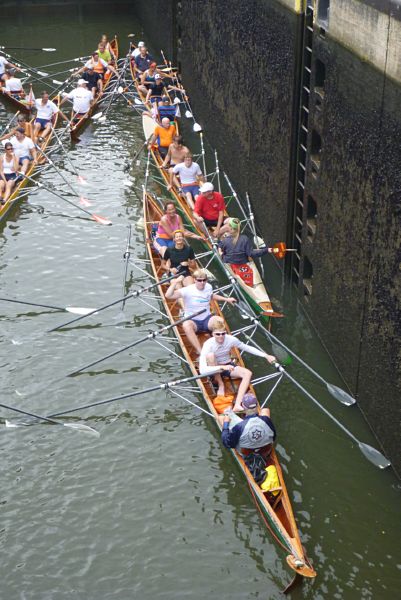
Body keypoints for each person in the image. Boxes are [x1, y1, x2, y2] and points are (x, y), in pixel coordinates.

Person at [199, 317, 276, 410]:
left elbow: (247, 348)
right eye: (217, 334)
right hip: (213, 369)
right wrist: (223, 367)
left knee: (248, 373)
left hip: (228, 365)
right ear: (212, 334)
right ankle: (220, 384)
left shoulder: (231, 339)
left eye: (223, 333)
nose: (221, 336)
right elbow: (202, 370)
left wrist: (266, 356)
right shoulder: (208, 344)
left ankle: (237, 404)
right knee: (210, 356)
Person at [165, 269, 236, 354]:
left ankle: (221, 347)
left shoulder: (208, 287)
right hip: (193, 321)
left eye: (204, 280)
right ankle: (200, 351)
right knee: (186, 325)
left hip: (206, 319)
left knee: (220, 320)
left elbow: (211, 296)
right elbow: (168, 295)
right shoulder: (187, 290)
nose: (202, 283)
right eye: (199, 280)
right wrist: (175, 282)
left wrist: (227, 299)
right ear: (194, 280)